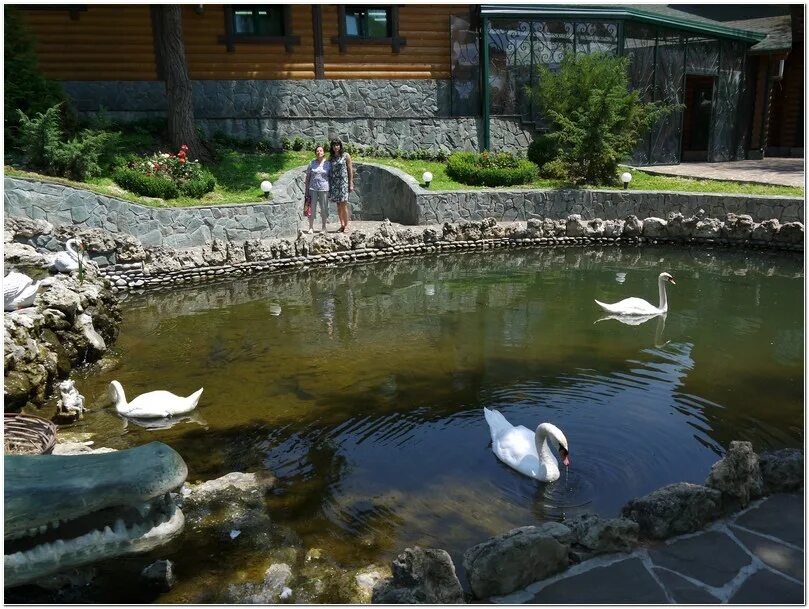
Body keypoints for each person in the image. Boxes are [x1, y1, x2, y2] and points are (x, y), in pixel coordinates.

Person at [328, 138, 354, 233]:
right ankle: (342, 225)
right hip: (334, 184)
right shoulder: (331, 158)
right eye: (334, 145)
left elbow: (350, 170)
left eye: (338, 145)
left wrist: (350, 183)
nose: (336, 147)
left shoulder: (346, 155)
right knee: (338, 206)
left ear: (340, 146)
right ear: (332, 147)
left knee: (344, 205)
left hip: (343, 183)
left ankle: (347, 225)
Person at [303, 144, 330, 233]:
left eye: (321, 151)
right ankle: (311, 227)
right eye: (317, 151)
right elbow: (307, 177)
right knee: (311, 208)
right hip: (312, 188)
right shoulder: (311, 163)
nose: (319, 152)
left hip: (324, 188)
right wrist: (306, 190)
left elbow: (331, 176)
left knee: (324, 208)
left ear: (323, 152)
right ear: (315, 153)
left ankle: (324, 227)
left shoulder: (328, 163)